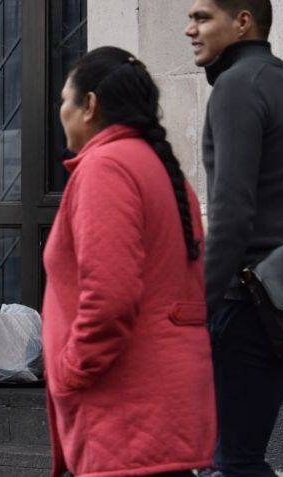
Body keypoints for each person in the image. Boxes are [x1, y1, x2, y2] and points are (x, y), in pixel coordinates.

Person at [42, 46, 216, 476]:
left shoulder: (106, 168)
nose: (60, 111)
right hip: (158, 404)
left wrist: (69, 372)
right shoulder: (155, 165)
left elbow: (110, 296)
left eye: (65, 99)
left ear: (90, 105)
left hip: (123, 407)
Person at [184, 1, 283, 475]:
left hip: (253, 303)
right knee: (235, 456)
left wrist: (201, 303)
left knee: (231, 460)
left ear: (242, 22)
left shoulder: (238, 87)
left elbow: (232, 213)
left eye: (202, 18)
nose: (189, 29)